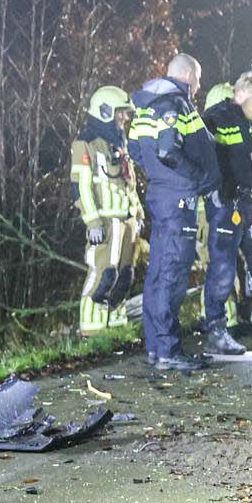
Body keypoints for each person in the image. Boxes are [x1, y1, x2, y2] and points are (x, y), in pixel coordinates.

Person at [127, 52, 220, 372]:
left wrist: (161, 176)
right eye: (198, 78)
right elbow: (168, 150)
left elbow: (136, 150)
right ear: (188, 76)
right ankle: (167, 350)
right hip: (179, 198)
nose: (199, 85)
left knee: (158, 273)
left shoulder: (145, 106)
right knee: (172, 274)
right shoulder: (174, 104)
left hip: (162, 196)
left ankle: (157, 347)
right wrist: (193, 178)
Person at [199, 75, 252, 355]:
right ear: (243, 93)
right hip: (227, 205)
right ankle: (216, 332)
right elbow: (205, 159)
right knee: (222, 270)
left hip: (250, 205)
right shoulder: (216, 118)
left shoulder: (251, 125)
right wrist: (216, 191)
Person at [70, 86, 140, 333]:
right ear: (105, 111)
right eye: (121, 113)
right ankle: (92, 332)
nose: (125, 119)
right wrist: (93, 223)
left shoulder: (119, 144)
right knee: (103, 276)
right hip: (105, 223)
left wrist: (137, 213)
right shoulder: (85, 143)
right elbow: (81, 188)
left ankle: (116, 330)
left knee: (124, 277)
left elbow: (128, 182)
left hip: (126, 221)